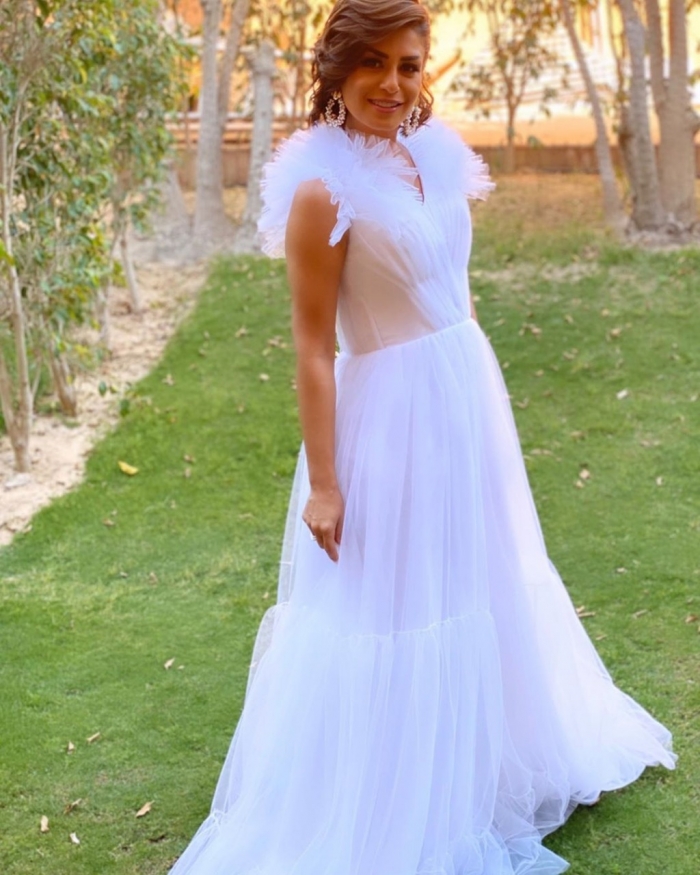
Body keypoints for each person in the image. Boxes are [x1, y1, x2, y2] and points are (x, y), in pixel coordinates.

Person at [168, 1, 676, 873]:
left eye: (407, 64)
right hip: (391, 416)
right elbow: (312, 347)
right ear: (336, 71)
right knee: (401, 602)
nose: (391, 84)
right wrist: (326, 482)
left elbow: (450, 281)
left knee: (480, 576)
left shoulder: (431, 155)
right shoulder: (322, 190)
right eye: (371, 63)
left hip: (462, 394)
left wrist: (471, 384)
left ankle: (494, 761)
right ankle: (401, 793)